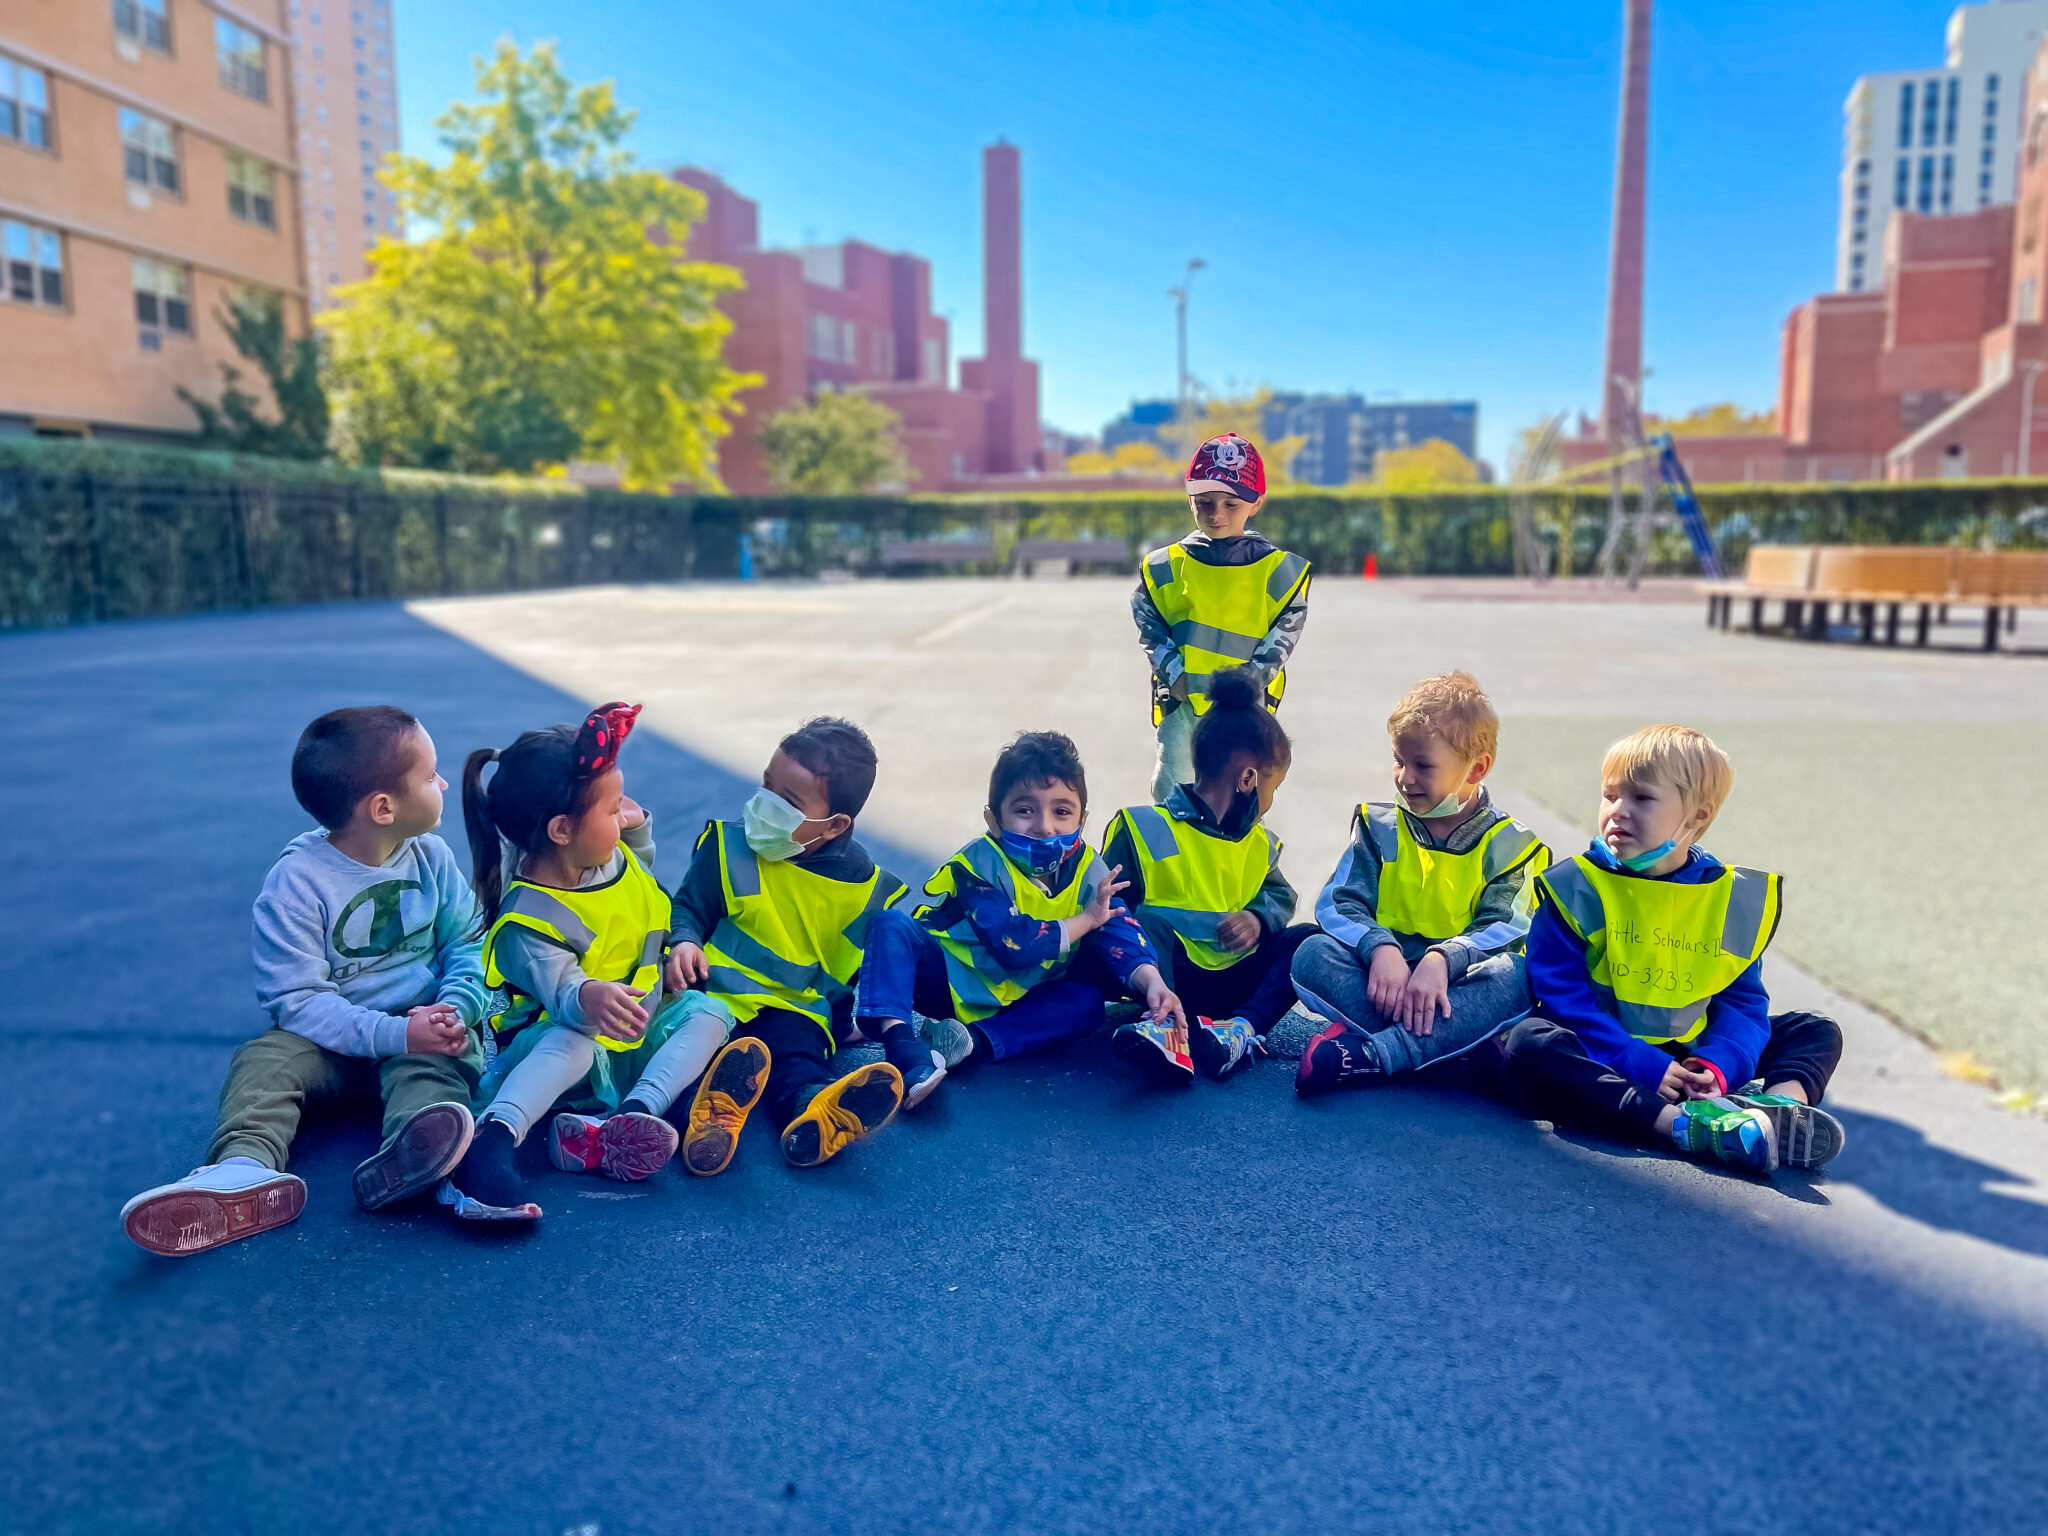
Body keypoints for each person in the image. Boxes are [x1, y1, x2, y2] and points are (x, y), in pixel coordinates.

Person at [122, 707, 493, 1256]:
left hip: (420, 1029)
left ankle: (415, 1158)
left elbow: (468, 944)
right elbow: (296, 999)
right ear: (383, 808)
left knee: (435, 1073)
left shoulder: (432, 858)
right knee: (265, 1062)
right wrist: (390, 1034)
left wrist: (455, 1009)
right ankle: (242, 1170)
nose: (441, 783)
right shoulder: (296, 883)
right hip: (329, 1043)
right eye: (429, 775)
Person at [1474, 724, 1846, 1174]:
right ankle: (1681, 1126)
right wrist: (1637, 1061)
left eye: (1641, 799)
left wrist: (1718, 1065)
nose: (1618, 811)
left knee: (1814, 1030)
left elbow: (1743, 1003)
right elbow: (1564, 1000)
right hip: (1609, 1055)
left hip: (1693, 1056)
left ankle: (1776, 1110)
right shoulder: (1577, 887)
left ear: (1697, 817)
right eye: (1609, 796)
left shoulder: (1729, 901)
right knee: (1530, 1044)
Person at [454, 703, 749, 1209]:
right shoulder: (529, 917)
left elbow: (634, 891)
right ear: (561, 830)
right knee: (572, 1044)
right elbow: (561, 989)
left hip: (638, 1029)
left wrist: (632, 832)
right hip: (566, 1053)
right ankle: (493, 1139)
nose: (624, 812)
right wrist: (588, 995)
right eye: (611, 810)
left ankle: (630, 1117)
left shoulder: (604, 854)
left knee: (711, 1013)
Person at [857, 731, 1189, 1082]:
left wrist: (1152, 982)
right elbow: (1015, 945)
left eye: (1062, 811)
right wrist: (1089, 918)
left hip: (1024, 997)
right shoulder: (978, 864)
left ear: (1082, 820)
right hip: (950, 984)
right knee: (891, 924)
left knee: (1086, 1005)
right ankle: (901, 1047)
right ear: (994, 820)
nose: (1044, 827)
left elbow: (1118, 926)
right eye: (1024, 810)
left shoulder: (1089, 868)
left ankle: (967, 1043)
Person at [666, 718, 913, 1170]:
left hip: (792, 1009)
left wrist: (840, 1028)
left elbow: (845, 973)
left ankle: (814, 1114)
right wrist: (683, 942)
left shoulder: (863, 887)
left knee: (797, 1063)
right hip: (711, 996)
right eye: (766, 784)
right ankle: (705, 1120)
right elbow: (688, 906)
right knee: (688, 1062)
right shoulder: (730, 846)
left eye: (787, 800)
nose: (764, 804)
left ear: (835, 824)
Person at [1293, 672, 1548, 1095]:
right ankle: (1454, 1050)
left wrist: (1441, 960)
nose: (1404, 778)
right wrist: (1381, 948)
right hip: (1386, 983)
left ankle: (1375, 1056)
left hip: (1455, 986)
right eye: (1399, 760)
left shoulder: (1513, 844)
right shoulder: (1379, 826)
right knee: (1309, 953)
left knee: (1518, 977)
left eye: (1423, 766)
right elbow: (1339, 905)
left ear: (1477, 768)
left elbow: (1509, 927)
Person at [1100, 666, 1315, 1079]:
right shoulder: (1145, 826)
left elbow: (1279, 897)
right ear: (1248, 779)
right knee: (1144, 921)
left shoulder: (1259, 843)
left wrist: (1256, 918)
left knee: (1307, 940)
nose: (1268, 803)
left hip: (1232, 980)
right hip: (1167, 981)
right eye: (1272, 788)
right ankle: (1163, 1029)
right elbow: (1109, 910)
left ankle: (1240, 1030)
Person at [1132, 433, 1312, 804]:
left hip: (1246, 710)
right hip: (1181, 706)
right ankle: (1174, 861)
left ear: (1256, 502)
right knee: (1173, 795)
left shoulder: (1278, 570)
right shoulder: (1165, 566)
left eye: (1232, 503)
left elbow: (1286, 629)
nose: (1217, 514)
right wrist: (1175, 673)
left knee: (1242, 797)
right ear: (1189, 499)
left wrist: (1252, 680)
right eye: (1205, 502)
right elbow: (1149, 621)